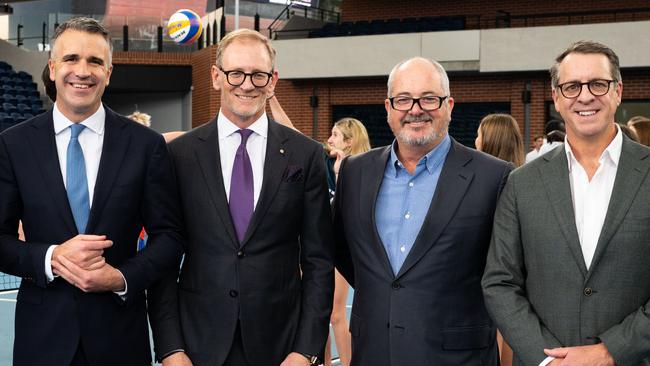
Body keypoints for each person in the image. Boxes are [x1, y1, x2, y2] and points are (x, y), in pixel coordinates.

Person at [0, 17, 184, 366]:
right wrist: (51, 257)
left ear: (109, 73)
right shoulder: (13, 145)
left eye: (95, 61)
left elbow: (170, 238)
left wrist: (121, 277)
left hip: (120, 339)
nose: (82, 71)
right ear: (53, 68)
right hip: (41, 343)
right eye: (71, 59)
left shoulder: (145, 146)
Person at [148, 28, 334, 366]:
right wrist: (171, 349)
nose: (247, 84)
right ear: (216, 77)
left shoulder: (305, 155)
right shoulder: (181, 155)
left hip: (281, 347)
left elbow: (319, 261)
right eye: (236, 73)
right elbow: (162, 257)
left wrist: (305, 351)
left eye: (258, 75)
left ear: (273, 80)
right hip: (197, 345)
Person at [332, 57, 512, 366]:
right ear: (388, 108)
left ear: (449, 105)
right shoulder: (354, 172)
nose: (416, 109)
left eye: (429, 98)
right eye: (404, 99)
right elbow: (344, 253)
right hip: (374, 353)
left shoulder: (494, 177)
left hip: (458, 358)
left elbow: (506, 275)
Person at [482, 40, 650, 366]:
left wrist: (610, 351)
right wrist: (549, 360)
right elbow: (500, 282)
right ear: (557, 98)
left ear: (617, 91)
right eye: (571, 86)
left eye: (597, 84)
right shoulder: (521, 183)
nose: (585, 96)